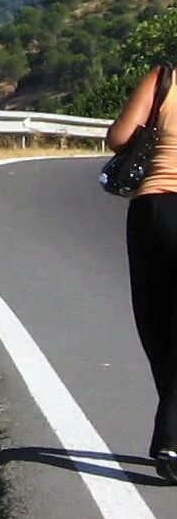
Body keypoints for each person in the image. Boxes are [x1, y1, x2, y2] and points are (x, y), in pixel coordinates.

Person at [108, 63, 177, 478]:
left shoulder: (163, 79)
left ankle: (171, 434)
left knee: (155, 321)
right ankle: (170, 438)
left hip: (154, 209)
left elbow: (118, 138)